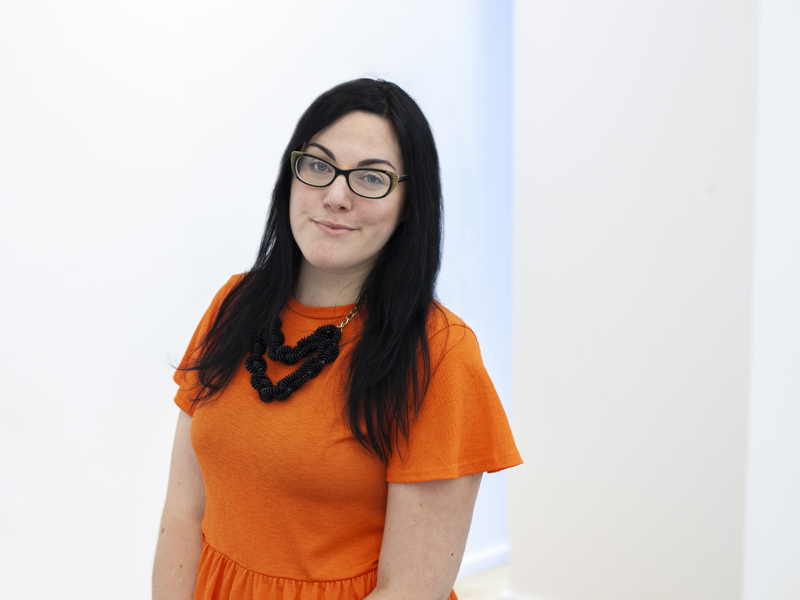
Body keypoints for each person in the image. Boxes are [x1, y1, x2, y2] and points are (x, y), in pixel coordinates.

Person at [153, 78, 522, 600]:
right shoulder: (235, 303)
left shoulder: (440, 354)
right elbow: (183, 513)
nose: (335, 196)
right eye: (319, 166)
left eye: (371, 178)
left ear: (409, 202)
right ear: (293, 174)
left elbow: (410, 589)